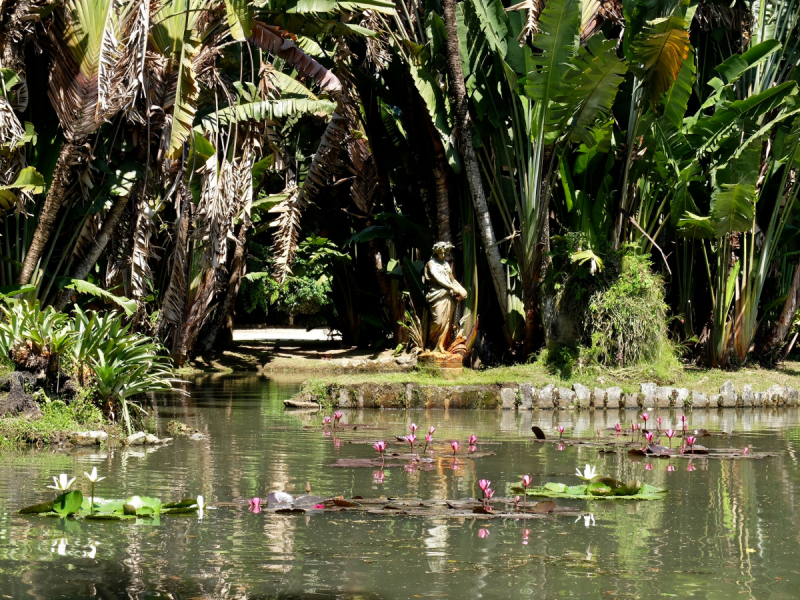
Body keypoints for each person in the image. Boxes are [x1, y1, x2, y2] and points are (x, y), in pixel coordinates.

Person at [424, 242, 467, 353]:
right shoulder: (431, 264)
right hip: (438, 295)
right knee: (438, 321)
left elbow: (451, 279)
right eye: (442, 253)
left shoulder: (446, 264)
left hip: (449, 296)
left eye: (445, 253)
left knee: (447, 321)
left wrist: (461, 289)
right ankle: (431, 344)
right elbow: (439, 279)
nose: (444, 255)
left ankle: (441, 346)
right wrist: (453, 287)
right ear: (436, 252)